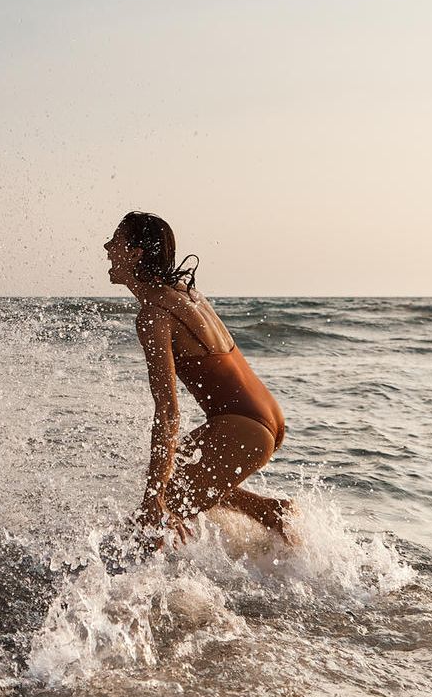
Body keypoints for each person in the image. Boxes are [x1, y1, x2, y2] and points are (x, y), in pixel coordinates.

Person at [106, 210, 293, 549]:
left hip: (242, 427)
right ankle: (270, 512)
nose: (106, 248)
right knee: (170, 477)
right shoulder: (186, 294)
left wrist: (153, 499)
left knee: (155, 517)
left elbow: (167, 411)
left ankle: (148, 598)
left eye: (115, 242)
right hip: (264, 418)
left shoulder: (154, 315)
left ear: (134, 254)